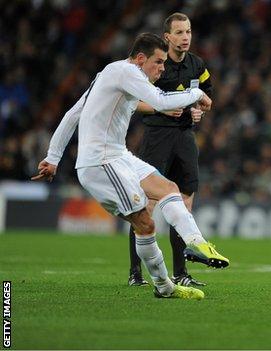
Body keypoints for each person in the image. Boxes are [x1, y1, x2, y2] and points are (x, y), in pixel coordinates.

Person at [32, 33, 229, 299]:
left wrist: (54, 157)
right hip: (100, 163)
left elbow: (73, 113)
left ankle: (196, 244)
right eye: (158, 62)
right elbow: (160, 101)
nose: (162, 68)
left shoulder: (108, 73)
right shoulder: (126, 71)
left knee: (169, 188)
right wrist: (196, 94)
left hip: (119, 155)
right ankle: (164, 287)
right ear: (139, 59)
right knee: (145, 224)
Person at [127, 12, 212, 287]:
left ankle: (181, 273)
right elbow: (132, 101)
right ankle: (136, 274)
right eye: (179, 32)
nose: (185, 37)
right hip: (157, 137)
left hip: (185, 138)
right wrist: (160, 106)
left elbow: (206, 99)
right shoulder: (155, 65)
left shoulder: (197, 65)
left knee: (185, 204)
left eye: (188, 32)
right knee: (145, 206)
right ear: (167, 37)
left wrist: (199, 110)